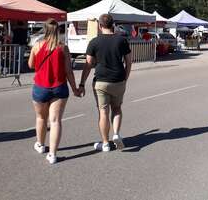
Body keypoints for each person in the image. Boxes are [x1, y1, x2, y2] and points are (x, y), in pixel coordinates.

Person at [28, 18, 80, 164]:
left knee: (40, 118)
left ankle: (40, 144)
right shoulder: (63, 48)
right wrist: (75, 88)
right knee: (55, 121)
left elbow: (31, 64)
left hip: (40, 87)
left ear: (45, 29)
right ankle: (52, 154)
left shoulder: (37, 45)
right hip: (59, 88)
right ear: (58, 30)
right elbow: (69, 71)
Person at [79, 14, 132, 152]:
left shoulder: (94, 42)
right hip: (118, 80)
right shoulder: (122, 40)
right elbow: (128, 62)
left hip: (101, 81)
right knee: (117, 109)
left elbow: (88, 64)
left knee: (103, 112)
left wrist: (82, 83)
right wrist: (125, 78)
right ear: (113, 25)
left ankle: (105, 143)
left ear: (100, 26)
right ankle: (116, 134)